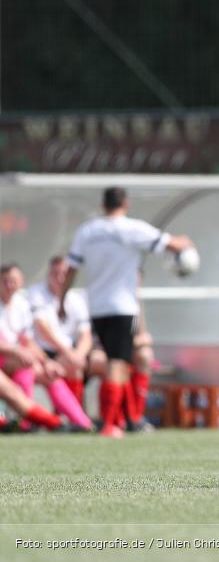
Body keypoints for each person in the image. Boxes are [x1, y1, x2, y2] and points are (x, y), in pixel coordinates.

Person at [60, 187, 195, 438]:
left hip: (97, 307)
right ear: (125, 203)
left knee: (118, 362)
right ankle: (111, 424)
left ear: (103, 205)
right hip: (122, 307)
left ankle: (126, 420)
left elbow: (71, 268)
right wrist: (185, 243)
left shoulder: (87, 231)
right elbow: (172, 244)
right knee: (117, 362)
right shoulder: (132, 228)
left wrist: (61, 299)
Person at [1, 264, 92, 431]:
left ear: (21, 282)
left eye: (13, 281)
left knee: (50, 374)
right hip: (11, 359)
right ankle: (32, 423)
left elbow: (26, 341)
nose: (9, 285)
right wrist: (17, 351)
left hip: (17, 359)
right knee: (22, 372)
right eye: (5, 281)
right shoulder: (35, 295)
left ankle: (81, 423)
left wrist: (45, 362)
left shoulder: (21, 304)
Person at [27, 256, 93, 408]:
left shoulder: (77, 299)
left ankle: (74, 415)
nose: (60, 278)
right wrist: (69, 353)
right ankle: (70, 414)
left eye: (64, 274)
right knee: (70, 365)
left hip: (69, 353)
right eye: (56, 273)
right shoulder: (36, 293)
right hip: (42, 351)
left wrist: (78, 355)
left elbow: (86, 335)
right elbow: (42, 328)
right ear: (49, 274)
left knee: (77, 365)